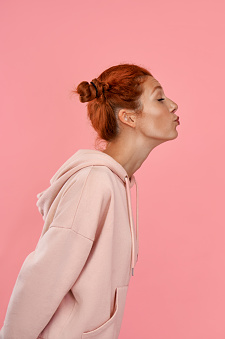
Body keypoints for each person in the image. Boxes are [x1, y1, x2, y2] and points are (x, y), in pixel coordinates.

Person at [0, 64, 179, 339]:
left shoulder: (116, 183)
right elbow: (42, 277)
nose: (173, 105)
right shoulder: (94, 183)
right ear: (128, 117)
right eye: (159, 98)